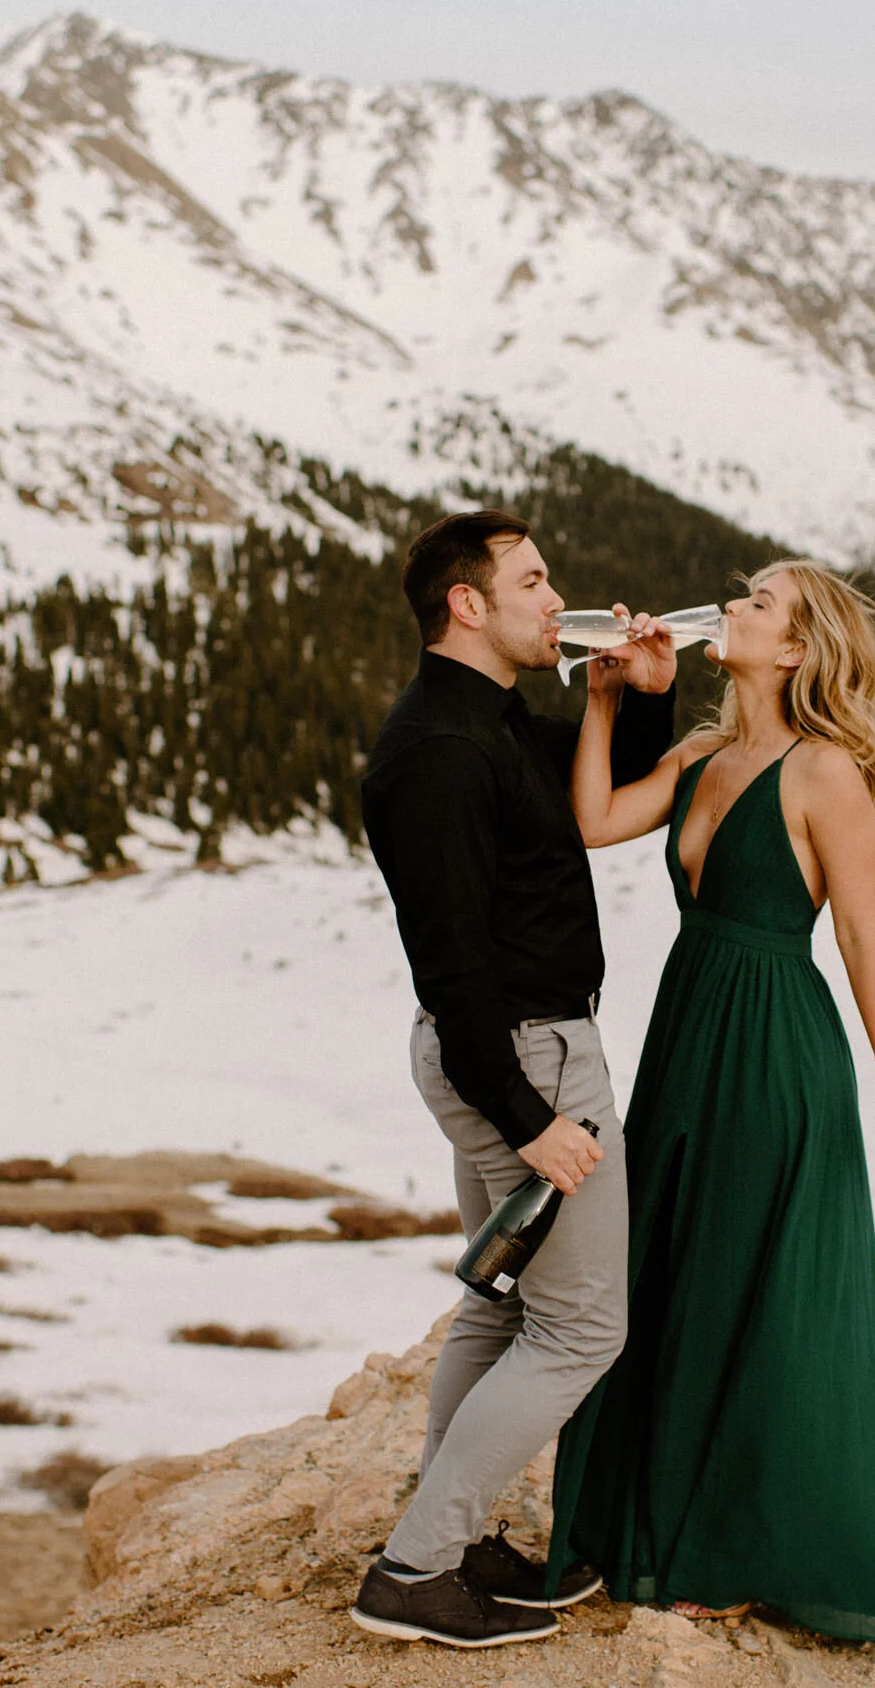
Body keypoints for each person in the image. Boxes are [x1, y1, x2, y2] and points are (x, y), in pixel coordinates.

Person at [545, 558, 875, 1643]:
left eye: (757, 602)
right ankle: (650, 1523)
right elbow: (592, 818)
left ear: (798, 647)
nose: (733, 608)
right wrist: (605, 695)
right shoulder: (707, 749)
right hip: (687, 1031)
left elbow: (859, 929)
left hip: (775, 1047)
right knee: (668, 1266)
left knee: (741, 1280)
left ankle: (733, 1545)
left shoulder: (825, 774)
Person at [351, 510, 678, 1648]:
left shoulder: (488, 719)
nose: (558, 599)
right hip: (518, 1054)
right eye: (535, 581)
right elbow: (451, 965)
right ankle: (415, 1566)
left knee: (498, 1306)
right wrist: (531, 1118)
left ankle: (455, 1534)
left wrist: (630, 693)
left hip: (523, 1046)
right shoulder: (434, 752)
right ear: (467, 604)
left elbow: (611, 798)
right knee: (583, 1328)